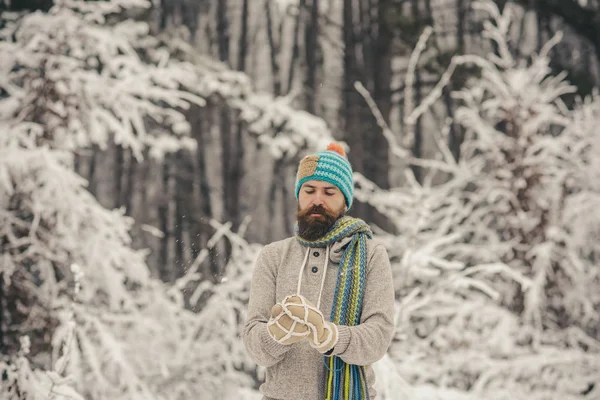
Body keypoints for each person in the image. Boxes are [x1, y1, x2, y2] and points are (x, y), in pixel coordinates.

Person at [242, 142, 395, 400]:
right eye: (309, 190)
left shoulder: (370, 255)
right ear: (298, 195)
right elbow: (255, 346)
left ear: (345, 200)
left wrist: (330, 336)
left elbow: (378, 336)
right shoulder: (273, 256)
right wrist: (278, 333)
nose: (317, 200)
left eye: (329, 192)